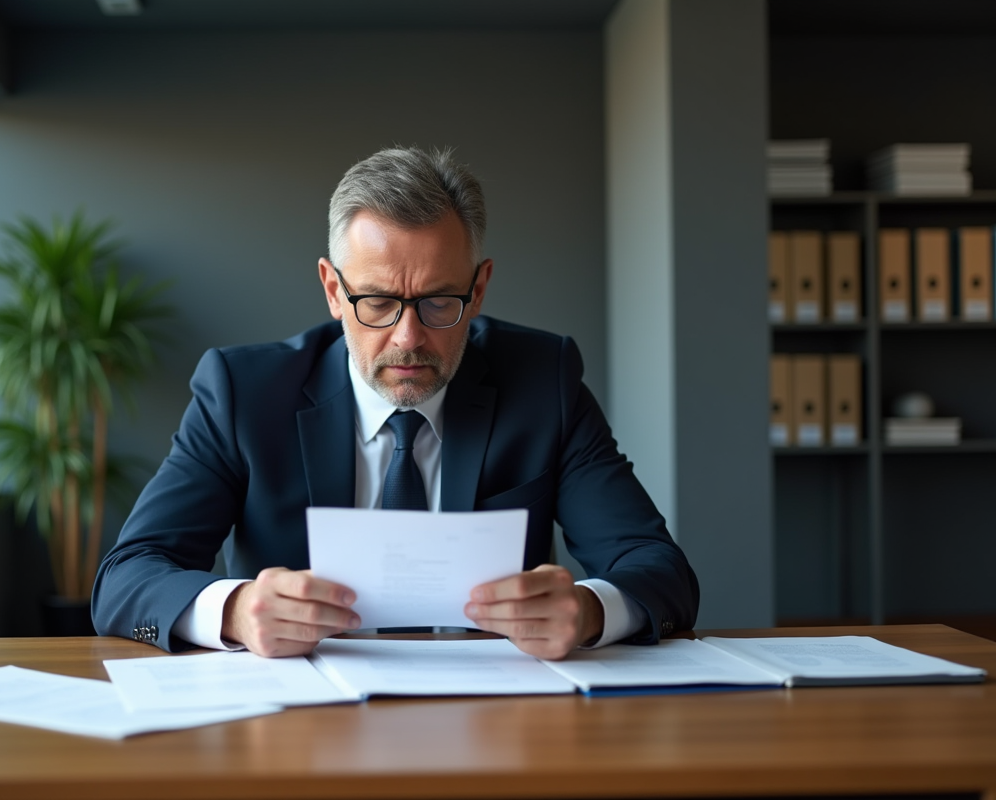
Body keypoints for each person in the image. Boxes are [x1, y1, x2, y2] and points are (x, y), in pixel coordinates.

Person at [92, 146, 698, 659]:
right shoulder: (242, 393)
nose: (408, 339)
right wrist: (236, 610)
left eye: (439, 303)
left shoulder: (543, 381)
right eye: (377, 302)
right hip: (296, 730)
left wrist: (591, 610)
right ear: (334, 289)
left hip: (500, 719)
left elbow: (657, 567)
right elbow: (127, 577)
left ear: (479, 288)